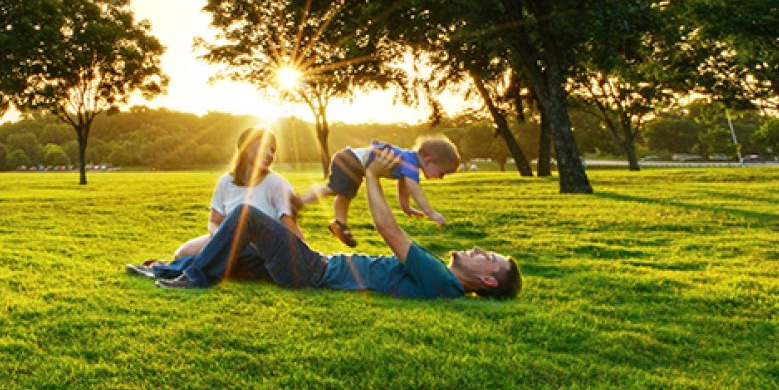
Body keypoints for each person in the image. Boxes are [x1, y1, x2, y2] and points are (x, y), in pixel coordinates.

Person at [155, 156, 521, 299]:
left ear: (488, 281)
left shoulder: (439, 276)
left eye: (486, 258)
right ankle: (167, 269)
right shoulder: (441, 281)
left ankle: (193, 278)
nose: (476, 250)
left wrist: (372, 176)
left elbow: (388, 229)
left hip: (316, 271)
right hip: (316, 268)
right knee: (244, 253)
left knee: (247, 215)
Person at [125, 126, 302, 281]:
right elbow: (214, 221)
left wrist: (307, 257)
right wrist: (220, 238)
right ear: (247, 148)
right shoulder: (225, 182)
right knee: (182, 253)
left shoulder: (277, 184)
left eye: (273, 150)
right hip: (225, 239)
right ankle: (179, 267)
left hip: (259, 246)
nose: (270, 155)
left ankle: (159, 270)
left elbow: (290, 226)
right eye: (265, 148)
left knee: (225, 258)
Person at [295, 136, 458, 248]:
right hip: (351, 160)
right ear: (430, 160)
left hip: (352, 161)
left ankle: (340, 224)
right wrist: (431, 213)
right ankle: (300, 201)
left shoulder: (408, 162)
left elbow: (404, 187)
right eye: (442, 173)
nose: (440, 178)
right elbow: (414, 189)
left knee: (345, 194)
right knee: (334, 189)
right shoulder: (411, 164)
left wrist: (406, 207)